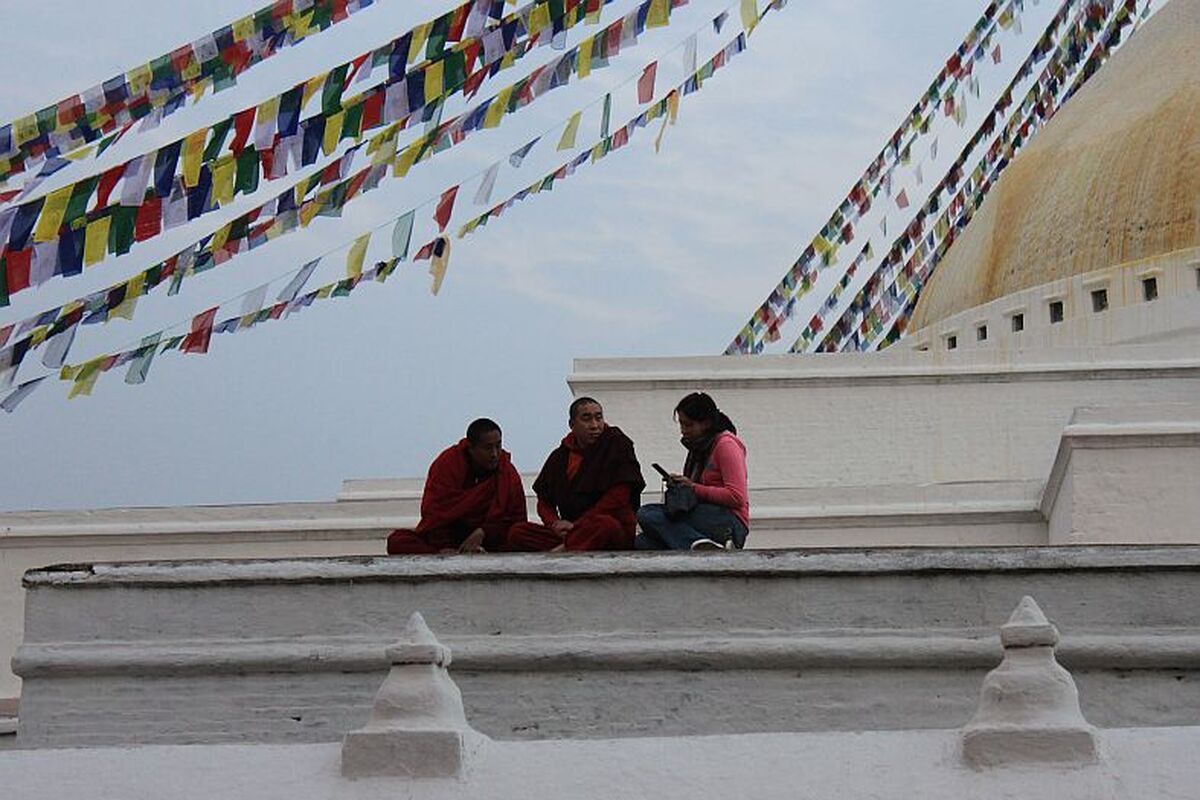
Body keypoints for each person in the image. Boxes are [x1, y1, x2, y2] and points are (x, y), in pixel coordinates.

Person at [507, 397, 645, 552]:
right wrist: (554, 524)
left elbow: (620, 495)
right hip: (571, 532)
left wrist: (581, 524)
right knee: (518, 532)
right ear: (572, 425)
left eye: (598, 418)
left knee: (606, 525)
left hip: (604, 530)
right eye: (586, 419)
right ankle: (570, 546)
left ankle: (564, 550)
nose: (595, 426)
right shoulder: (560, 457)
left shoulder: (616, 443)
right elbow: (544, 501)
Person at [386, 418, 527, 555]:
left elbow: (516, 520)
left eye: (498, 446)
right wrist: (444, 547)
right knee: (397, 540)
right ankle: (444, 555)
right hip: (452, 537)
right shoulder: (448, 465)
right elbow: (435, 515)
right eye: (487, 448)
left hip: (490, 540)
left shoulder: (507, 472)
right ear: (471, 448)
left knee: (520, 534)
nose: (495, 454)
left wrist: (483, 532)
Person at [636, 392, 749, 551]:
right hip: (702, 516)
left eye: (688, 425)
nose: (683, 431)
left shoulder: (726, 445)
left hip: (729, 521)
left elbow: (737, 497)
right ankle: (700, 545)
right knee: (643, 542)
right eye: (681, 424)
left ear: (706, 423)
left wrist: (693, 488)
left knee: (647, 514)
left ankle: (696, 545)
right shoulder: (698, 449)